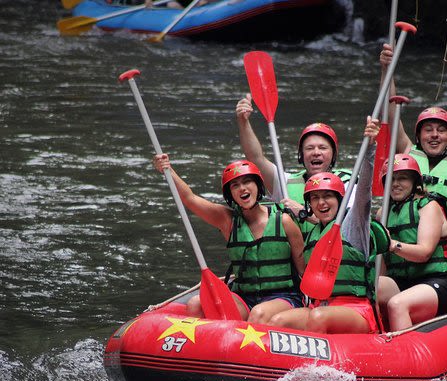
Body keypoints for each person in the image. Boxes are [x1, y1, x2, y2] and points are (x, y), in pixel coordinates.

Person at [379, 43, 447, 297]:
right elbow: (391, 112)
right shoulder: (405, 151)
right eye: (428, 130)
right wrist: (387, 70)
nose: (434, 135)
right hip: (406, 248)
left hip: (443, 252)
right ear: (418, 135)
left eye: (441, 130)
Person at [267, 117, 390, 334]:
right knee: (276, 322)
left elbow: (365, 192)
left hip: (356, 310)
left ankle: (313, 368)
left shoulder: (354, 224)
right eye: (315, 198)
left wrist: (370, 147)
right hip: (319, 306)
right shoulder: (313, 231)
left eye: (327, 197)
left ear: (339, 199)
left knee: (318, 316)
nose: (321, 203)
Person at [152, 154, 305, 322]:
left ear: (257, 185)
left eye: (247, 182)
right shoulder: (227, 221)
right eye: (235, 185)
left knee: (259, 313)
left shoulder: (284, 221)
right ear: (230, 194)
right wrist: (168, 169)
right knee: (196, 304)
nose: (242, 189)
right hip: (244, 297)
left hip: (283, 296)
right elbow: (190, 199)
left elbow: (302, 270)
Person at [235, 94, 354, 236]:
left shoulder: (349, 182)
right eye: (309, 148)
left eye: (323, 148)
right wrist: (243, 122)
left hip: (332, 255)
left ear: (333, 154)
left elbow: (351, 227)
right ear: (301, 154)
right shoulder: (285, 183)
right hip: (298, 256)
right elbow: (255, 159)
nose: (316, 153)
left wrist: (305, 214)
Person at [376, 154, 447, 331]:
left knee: (397, 304)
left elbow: (424, 252)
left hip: (438, 282)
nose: (396, 184)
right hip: (403, 282)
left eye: (402, 178)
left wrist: (392, 245)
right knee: (370, 288)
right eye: (391, 179)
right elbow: (384, 265)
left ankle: (405, 354)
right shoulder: (383, 214)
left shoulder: (428, 206)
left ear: (415, 182)